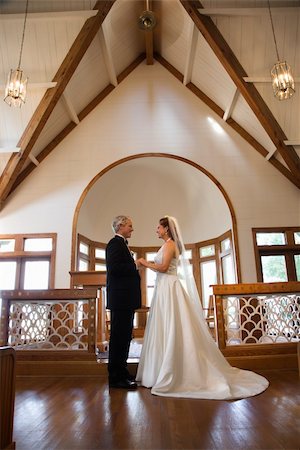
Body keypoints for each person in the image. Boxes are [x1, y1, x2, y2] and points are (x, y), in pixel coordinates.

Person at [136, 216, 269, 399]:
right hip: (163, 287)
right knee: (164, 325)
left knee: (174, 324)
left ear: (166, 229)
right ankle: (159, 368)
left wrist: (144, 263)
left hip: (169, 286)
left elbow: (164, 267)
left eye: (158, 227)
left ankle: (175, 370)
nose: (156, 230)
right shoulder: (166, 245)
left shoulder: (169, 245)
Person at [106, 215, 141, 389]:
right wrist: (135, 265)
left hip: (126, 300)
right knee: (118, 338)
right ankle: (115, 377)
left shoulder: (123, 245)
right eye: (129, 226)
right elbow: (114, 268)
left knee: (126, 336)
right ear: (120, 226)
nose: (132, 229)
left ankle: (123, 371)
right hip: (120, 300)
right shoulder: (114, 244)